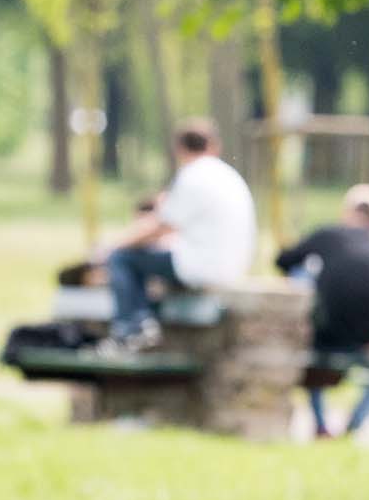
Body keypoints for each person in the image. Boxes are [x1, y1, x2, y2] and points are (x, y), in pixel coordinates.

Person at [97, 120, 256, 354]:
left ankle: (130, 330)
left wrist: (110, 246)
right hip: (235, 264)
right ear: (214, 145)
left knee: (122, 259)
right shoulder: (228, 175)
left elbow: (158, 228)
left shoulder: (192, 176)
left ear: (179, 148)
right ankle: (143, 320)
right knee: (150, 263)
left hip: (203, 266)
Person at [275, 184, 369, 438]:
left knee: (304, 274)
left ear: (347, 212)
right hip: (365, 344)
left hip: (321, 339)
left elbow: (282, 261)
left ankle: (320, 425)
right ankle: (353, 426)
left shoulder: (327, 236)